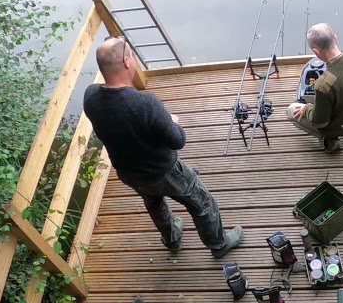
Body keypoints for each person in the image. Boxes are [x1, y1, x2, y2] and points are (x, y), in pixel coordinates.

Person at [83, 36, 242, 255]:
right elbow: (177, 141)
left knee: (154, 202)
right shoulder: (144, 103)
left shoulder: (90, 96)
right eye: (132, 55)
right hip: (163, 172)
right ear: (127, 62)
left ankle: (172, 239)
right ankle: (219, 243)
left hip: (128, 173)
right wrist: (171, 121)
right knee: (201, 202)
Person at [287, 23, 343, 153]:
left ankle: (330, 140)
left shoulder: (324, 85)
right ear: (335, 38)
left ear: (316, 51)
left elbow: (320, 122)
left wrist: (306, 109)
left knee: (291, 110)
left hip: (339, 126)